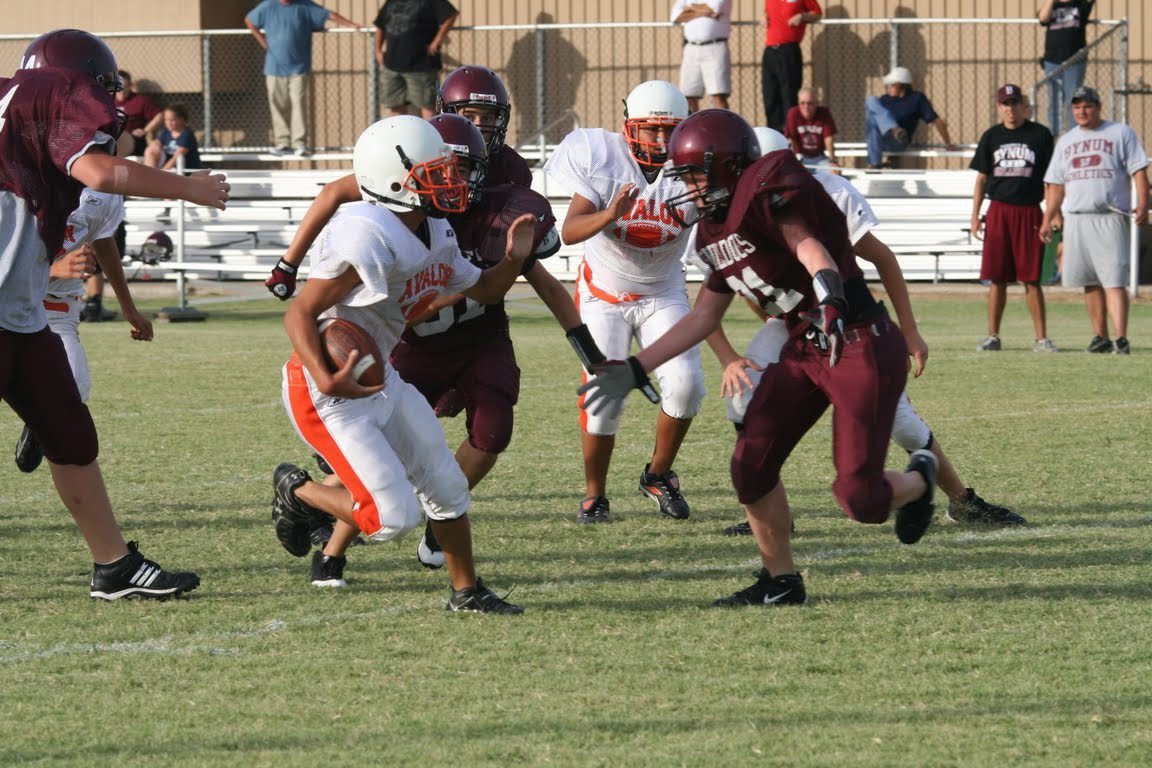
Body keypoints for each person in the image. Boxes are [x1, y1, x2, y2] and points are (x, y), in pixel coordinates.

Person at [580, 109, 940, 607]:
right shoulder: (712, 232)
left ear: (728, 165)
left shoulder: (767, 190)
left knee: (860, 501)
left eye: (695, 174)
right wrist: (636, 367)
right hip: (804, 347)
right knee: (751, 466)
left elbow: (808, 245)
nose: (688, 188)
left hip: (855, 339)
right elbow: (703, 317)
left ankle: (919, 479)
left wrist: (831, 294)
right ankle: (781, 581)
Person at [267, 114, 602, 585]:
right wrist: (326, 376)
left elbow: (485, 291)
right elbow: (299, 313)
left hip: (380, 373)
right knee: (391, 518)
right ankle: (296, 489)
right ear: (393, 182)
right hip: (327, 388)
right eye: (437, 171)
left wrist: (512, 258)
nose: (451, 181)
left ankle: (467, 590)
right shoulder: (370, 233)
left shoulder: (436, 229)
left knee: (446, 485)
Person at [0, 28, 229, 599]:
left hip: (20, 311)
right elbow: (100, 172)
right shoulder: (54, 92)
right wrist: (189, 188)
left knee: (67, 430)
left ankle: (114, 564)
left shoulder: (18, 101)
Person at [715, 127, 1024, 537]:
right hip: (795, 325)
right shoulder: (731, 209)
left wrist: (909, 333)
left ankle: (962, 501)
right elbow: (739, 287)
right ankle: (772, 508)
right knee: (741, 400)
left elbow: (883, 259)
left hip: (852, 323)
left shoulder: (824, 192)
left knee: (903, 424)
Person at [544, 80, 705, 525]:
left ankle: (657, 474)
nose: (659, 140)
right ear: (628, 126)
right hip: (604, 294)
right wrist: (610, 215)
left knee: (688, 385)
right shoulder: (603, 157)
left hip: (664, 291)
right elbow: (569, 231)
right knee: (604, 401)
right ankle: (595, 494)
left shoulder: (692, 167)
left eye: (668, 130)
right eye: (650, 130)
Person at [264, 63, 532, 298]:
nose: (480, 126)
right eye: (470, 115)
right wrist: (289, 263)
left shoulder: (512, 169)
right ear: (446, 111)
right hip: (413, 274)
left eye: (489, 116)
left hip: (460, 274)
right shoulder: (425, 149)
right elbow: (334, 192)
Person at [14, 188, 155, 474]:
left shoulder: (102, 189)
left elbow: (104, 240)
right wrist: (52, 269)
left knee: (72, 389)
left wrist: (128, 307)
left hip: (58, 308)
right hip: (10, 301)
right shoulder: (23, 170)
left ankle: (39, 428)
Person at [1040, 86, 1149, 354]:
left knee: (1113, 280)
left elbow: (1138, 170)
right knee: (1088, 280)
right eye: (1076, 107)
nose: (1082, 111)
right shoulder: (1066, 141)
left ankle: (1121, 338)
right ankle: (1100, 336)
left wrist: (1143, 203)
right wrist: (1048, 218)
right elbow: (1055, 184)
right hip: (1077, 218)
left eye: (1087, 106)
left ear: (1098, 106)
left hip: (1109, 215)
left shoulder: (1120, 133)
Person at [245, 0, 360, 156]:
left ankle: (299, 143)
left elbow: (329, 15)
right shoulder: (268, 6)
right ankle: (283, 143)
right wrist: (262, 40)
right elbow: (249, 20)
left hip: (298, 67)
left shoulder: (305, 6)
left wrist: (351, 24)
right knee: (277, 104)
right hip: (274, 67)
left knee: (298, 103)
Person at [436, 65, 532, 187]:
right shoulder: (429, 156)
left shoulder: (512, 166)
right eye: (469, 117)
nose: (479, 126)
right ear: (447, 114)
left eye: (487, 118)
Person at [374, 0, 459, 119]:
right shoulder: (391, 2)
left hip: (421, 65)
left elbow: (451, 15)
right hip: (392, 65)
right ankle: (400, 136)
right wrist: (377, 50)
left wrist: (437, 41)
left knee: (428, 108)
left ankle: (430, 136)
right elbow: (380, 25)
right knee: (395, 107)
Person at [865, 66, 955, 169]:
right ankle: (894, 128)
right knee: (871, 101)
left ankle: (874, 162)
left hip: (899, 141)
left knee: (872, 114)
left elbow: (937, 121)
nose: (888, 87)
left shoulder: (916, 99)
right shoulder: (885, 99)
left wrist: (948, 143)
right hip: (880, 140)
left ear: (901, 85)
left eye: (892, 84)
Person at [761, 0, 822, 132]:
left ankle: (791, 138)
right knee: (770, 98)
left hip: (789, 50)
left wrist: (802, 16)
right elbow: (769, 12)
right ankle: (774, 138)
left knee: (789, 97)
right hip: (770, 50)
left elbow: (817, 13)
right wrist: (763, 16)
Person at [1038, 0, 1095, 136]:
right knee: (1055, 101)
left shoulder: (1080, 5)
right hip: (1052, 60)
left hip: (1074, 61)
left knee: (1073, 100)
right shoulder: (1053, 6)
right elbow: (1042, 18)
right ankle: (1054, 137)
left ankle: (1075, 136)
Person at [671, 0, 732, 112]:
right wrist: (703, 11)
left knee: (718, 95)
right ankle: (691, 127)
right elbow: (675, 17)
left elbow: (713, 9)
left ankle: (723, 127)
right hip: (691, 48)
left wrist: (690, 8)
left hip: (715, 46)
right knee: (688, 95)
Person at [784, 87, 838, 168]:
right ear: (798, 103)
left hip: (820, 157)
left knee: (834, 173)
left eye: (810, 103)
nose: (806, 107)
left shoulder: (824, 113)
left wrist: (833, 161)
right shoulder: (793, 113)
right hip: (800, 157)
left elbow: (828, 138)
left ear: (817, 103)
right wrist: (794, 161)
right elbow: (791, 139)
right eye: (802, 103)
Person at [114, 70, 162, 157]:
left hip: (133, 140)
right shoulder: (107, 99)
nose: (122, 90)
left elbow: (159, 115)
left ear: (131, 86)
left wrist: (145, 130)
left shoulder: (140, 100)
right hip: (112, 138)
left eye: (126, 86)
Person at [143, 104, 202, 171]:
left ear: (181, 119)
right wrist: (155, 145)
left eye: (172, 120)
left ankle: (153, 176)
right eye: (166, 120)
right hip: (169, 169)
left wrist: (162, 173)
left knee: (175, 164)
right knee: (150, 150)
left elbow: (176, 158)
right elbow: (156, 143)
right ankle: (150, 174)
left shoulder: (187, 134)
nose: (168, 123)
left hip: (185, 170)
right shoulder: (166, 132)